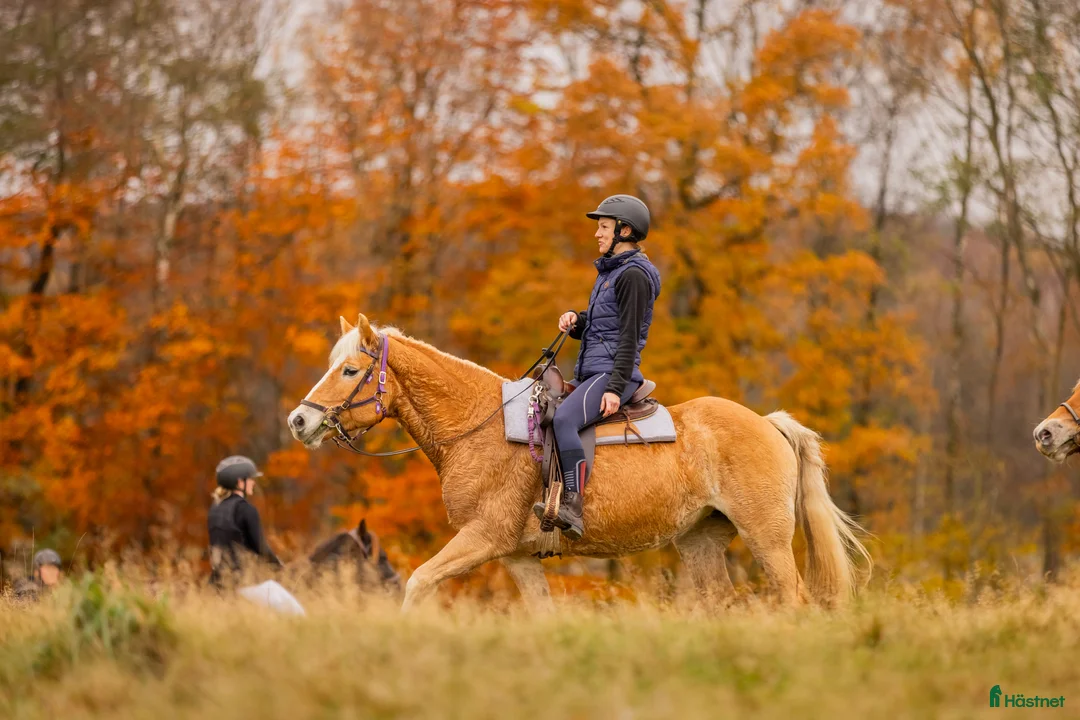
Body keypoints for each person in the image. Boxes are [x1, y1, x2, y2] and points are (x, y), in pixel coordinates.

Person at [533, 194, 662, 539]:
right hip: (593, 370)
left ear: (624, 230)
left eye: (604, 227)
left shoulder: (633, 275)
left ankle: (572, 506)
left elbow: (630, 337)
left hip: (612, 375)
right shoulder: (611, 273)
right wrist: (578, 320)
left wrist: (615, 388)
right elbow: (605, 324)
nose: (597, 234)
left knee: (564, 419)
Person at [208, 455, 282, 588]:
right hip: (242, 583)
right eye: (250, 479)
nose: (253, 482)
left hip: (217, 583)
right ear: (240, 482)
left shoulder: (215, 508)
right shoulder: (245, 509)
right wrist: (281, 569)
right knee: (295, 608)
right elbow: (261, 548)